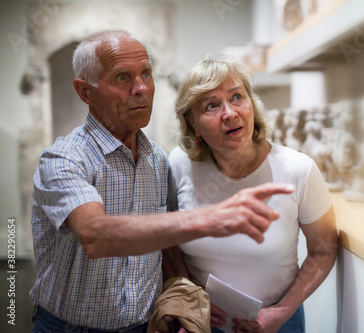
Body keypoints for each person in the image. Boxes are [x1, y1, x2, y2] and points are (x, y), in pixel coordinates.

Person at [30, 29, 294, 333]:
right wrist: (212, 217)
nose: (141, 88)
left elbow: (164, 249)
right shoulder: (63, 159)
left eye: (146, 74)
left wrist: (180, 303)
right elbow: (95, 235)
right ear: (85, 92)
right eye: (122, 78)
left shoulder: (156, 159)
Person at [168, 57, 339, 333]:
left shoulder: (298, 169)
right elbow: (169, 243)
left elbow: (324, 249)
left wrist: (281, 312)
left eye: (237, 97)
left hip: (277, 323)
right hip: (202, 324)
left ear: (252, 104)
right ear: (192, 123)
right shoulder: (179, 165)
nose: (229, 113)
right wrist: (190, 299)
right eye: (211, 105)